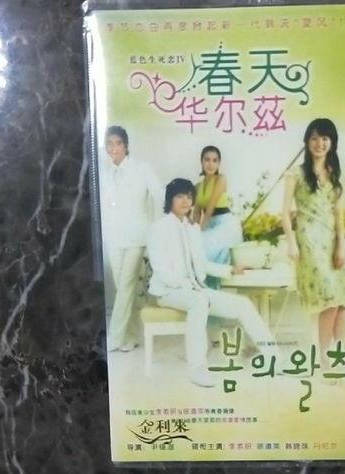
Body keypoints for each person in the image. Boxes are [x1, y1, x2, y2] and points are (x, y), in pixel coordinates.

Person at [147, 178, 277, 388]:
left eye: (189, 197)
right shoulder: (158, 227)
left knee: (242, 304)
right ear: (170, 199)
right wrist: (186, 286)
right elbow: (160, 269)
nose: (185, 201)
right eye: (179, 196)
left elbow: (202, 264)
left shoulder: (192, 229)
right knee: (199, 302)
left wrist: (230, 269)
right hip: (167, 292)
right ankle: (197, 369)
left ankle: (274, 358)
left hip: (196, 289)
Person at [282, 118, 345, 367]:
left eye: (324, 138)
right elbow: (284, 213)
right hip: (309, 242)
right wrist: (292, 243)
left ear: (331, 142)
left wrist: (341, 245)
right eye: (314, 138)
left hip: (331, 241)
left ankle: (341, 360)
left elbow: (339, 215)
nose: (319, 143)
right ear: (307, 142)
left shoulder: (334, 175)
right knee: (330, 301)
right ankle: (324, 360)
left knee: (341, 303)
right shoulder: (296, 173)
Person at [101, 125, 163, 352]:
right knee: (123, 289)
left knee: (126, 284)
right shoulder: (105, 174)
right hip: (114, 239)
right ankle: (132, 336)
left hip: (137, 237)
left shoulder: (141, 168)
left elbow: (159, 195)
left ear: (126, 146)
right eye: (109, 143)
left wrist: (155, 227)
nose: (114, 148)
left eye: (118, 143)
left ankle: (114, 339)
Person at [193, 146, 242, 288]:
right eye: (207, 160)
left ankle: (210, 288)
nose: (210, 164)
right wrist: (193, 232)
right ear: (201, 162)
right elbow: (197, 213)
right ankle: (201, 288)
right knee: (194, 243)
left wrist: (199, 231)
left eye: (215, 160)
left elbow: (210, 209)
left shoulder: (221, 179)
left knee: (201, 243)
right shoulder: (197, 186)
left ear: (219, 163)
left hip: (226, 225)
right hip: (210, 226)